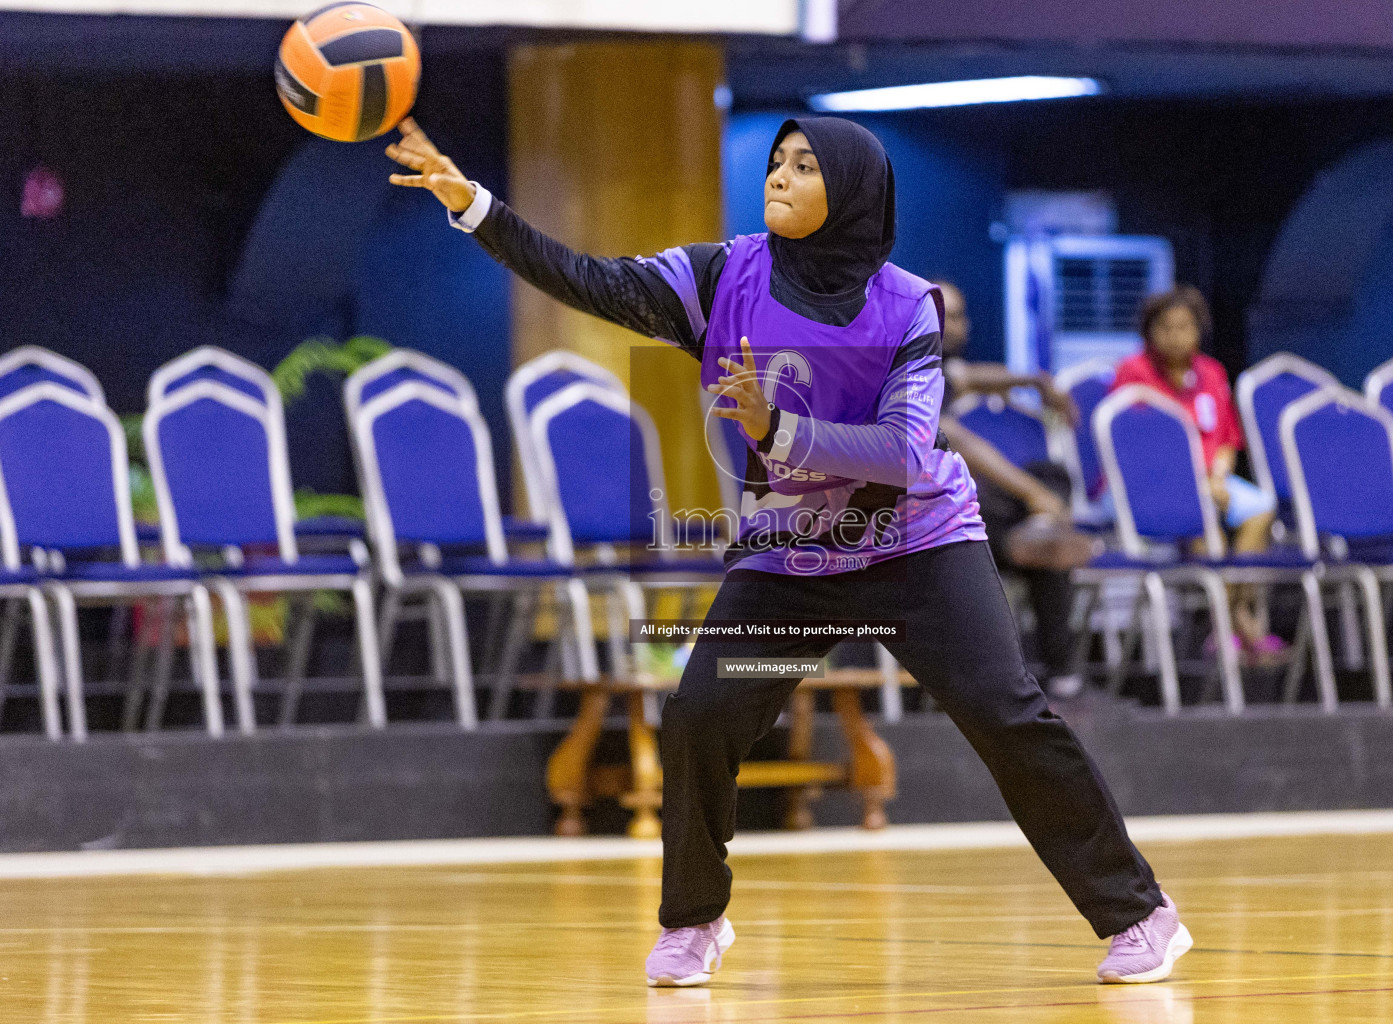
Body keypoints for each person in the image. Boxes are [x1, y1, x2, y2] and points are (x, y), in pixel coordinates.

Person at [386, 115, 1191, 988]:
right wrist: (475, 208)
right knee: (698, 717)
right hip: (793, 559)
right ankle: (695, 922)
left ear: (849, 193)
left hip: (915, 550)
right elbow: (592, 281)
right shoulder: (720, 277)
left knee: (1008, 716)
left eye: (804, 166)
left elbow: (907, 453)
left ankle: (1140, 914)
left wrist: (781, 429)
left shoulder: (908, 307)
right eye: (776, 161)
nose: (779, 175)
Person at [934, 280, 1093, 698]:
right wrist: (1031, 493)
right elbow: (957, 439)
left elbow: (973, 377)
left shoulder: (943, 369)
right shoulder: (904, 368)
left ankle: (1035, 533)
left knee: (1048, 488)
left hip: (966, 512)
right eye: (942, 315)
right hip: (916, 510)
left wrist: (1037, 382)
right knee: (1034, 494)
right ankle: (1035, 528)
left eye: (958, 316)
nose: (953, 326)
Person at [1111, 286, 1282, 658]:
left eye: (1185, 327)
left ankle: (1228, 622)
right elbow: (1135, 446)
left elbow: (1226, 439)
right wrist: (1196, 484)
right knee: (1202, 519)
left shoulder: (1211, 372)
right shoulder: (1133, 373)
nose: (1175, 336)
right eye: (1166, 327)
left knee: (1260, 508)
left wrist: (1217, 477)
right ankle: (1237, 626)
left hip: (1210, 481)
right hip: (1152, 485)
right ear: (1149, 330)